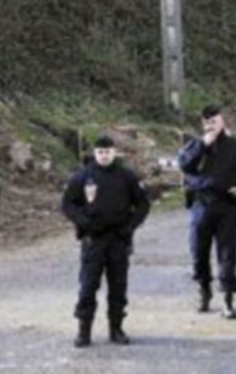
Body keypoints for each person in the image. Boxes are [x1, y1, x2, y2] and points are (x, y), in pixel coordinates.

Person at [61, 136, 151, 348]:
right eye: (100, 152)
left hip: (119, 238)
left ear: (114, 152)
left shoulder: (126, 176)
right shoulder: (83, 176)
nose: (104, 155)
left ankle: (116, 329)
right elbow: (67, 204)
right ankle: (84, 331)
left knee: (118, 286)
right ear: (95, 153)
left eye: (108, 152)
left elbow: (143, 204)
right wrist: (84, 223)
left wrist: (130, 227)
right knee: (88, 286)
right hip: (93, 239)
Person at [178, 105, 236, 319]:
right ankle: (204, 291)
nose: (211, 125)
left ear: (223, 121)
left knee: (227, 253)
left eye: (214, 121)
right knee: (198, 251)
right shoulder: (195, 145)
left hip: (226, 205)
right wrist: (201, 146)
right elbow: (183, 165)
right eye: (207, 122)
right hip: (201, 205)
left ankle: (228, 300)